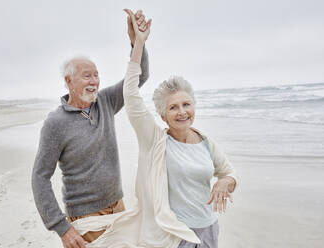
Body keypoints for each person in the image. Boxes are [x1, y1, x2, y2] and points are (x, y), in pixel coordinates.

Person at [68, 9, 237, 248]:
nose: (182, 112)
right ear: (163, 115)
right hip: (175, 235)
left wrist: (224, 183)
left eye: (186, 104)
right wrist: (138, 43)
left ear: (194, 106)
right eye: (173, 108)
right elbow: (131, 93)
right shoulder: (155, 139)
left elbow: (230, 174)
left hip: (209, 229)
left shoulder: (206, 142)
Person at [31, 10, 149, 248]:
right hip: (85, 218)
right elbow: (40, 177)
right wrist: (61, 227)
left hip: (118, 207)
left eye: (97, 75)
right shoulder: (55, 123)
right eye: (87, 76)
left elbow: (139, 77)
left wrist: (137, 43)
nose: (94, 81)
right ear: (68, 81)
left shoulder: (105, 102)